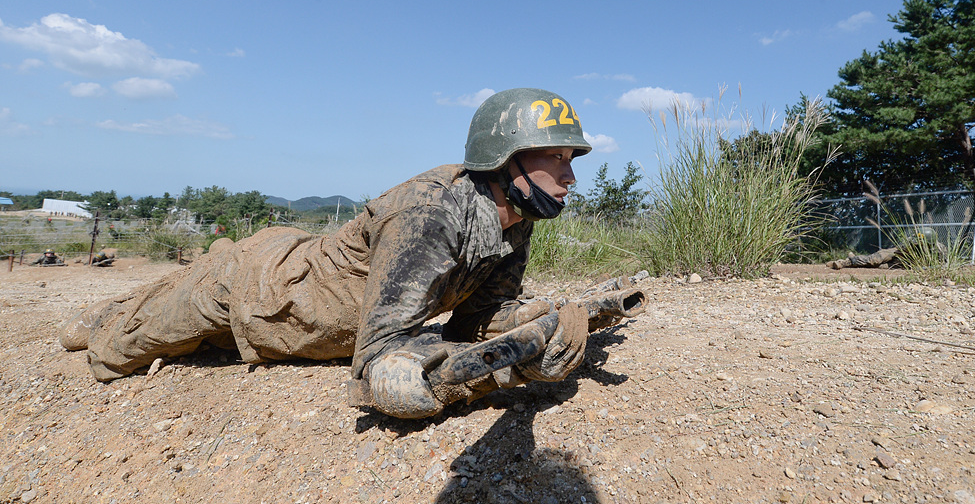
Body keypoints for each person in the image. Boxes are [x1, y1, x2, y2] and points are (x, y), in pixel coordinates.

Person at [61, 88, 597, 419]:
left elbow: (477, 321)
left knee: (204, 341)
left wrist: (535, 326)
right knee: (109, 349)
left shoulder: (514, 216)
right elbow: (383, 370)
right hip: (258, 290)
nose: (571, 175)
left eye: (571, 158)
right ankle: (104, 312)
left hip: (306, 299)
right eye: (556, 157)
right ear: (506, 160)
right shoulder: (433, 212)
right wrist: (514, 368)